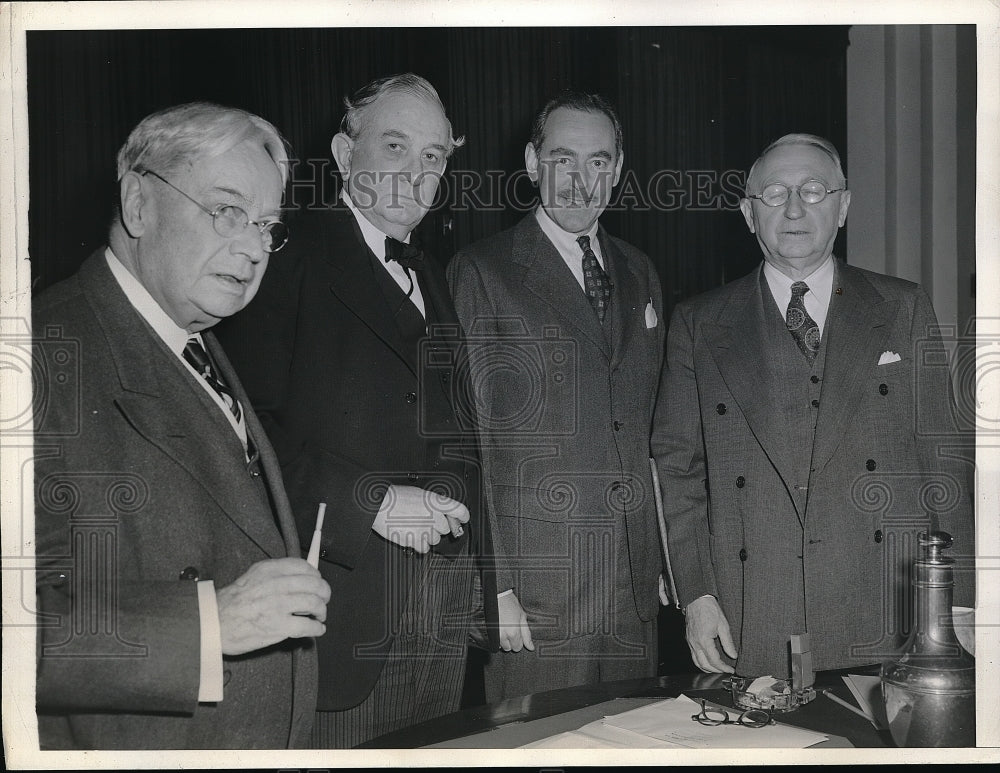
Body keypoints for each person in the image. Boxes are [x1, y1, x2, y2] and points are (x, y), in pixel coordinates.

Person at [33, 102, 330, 749]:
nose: (253, 248)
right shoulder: (35, 358)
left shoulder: (195, 338)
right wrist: (209, 624)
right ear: (139, 203)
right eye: (227, 211)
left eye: (266, 226)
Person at [214, 73, 499, 748]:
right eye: (395, 146)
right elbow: (239, 434)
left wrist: (465, 538)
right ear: (345, 155)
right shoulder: (282, 256)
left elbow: (455, 428)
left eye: (434, 156)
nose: (417, 171)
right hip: (339, 623)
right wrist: (371, 501)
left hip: (439, 617)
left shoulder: (431, 269)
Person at [651, 133, 975, 678]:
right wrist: (697, 597)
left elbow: (945, 462)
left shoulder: (902, 306)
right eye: (774, 193)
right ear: (749, 215)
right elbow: (676, 470)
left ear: (843, 206)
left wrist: (961, 596)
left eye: (814, 189)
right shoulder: (699, 323)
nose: (795, 208)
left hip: (885, 606)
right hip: (752, 612)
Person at [447, 91, 666, 701]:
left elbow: (651, 431)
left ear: (618, 170)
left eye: (598, 162)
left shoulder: (640, 271)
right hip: (539, 595)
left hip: (632, 589)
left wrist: (663, 562)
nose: (579, 182)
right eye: (562, 159)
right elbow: (474, 444)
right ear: (531, 161)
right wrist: (494, 588)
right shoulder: (482, 272)